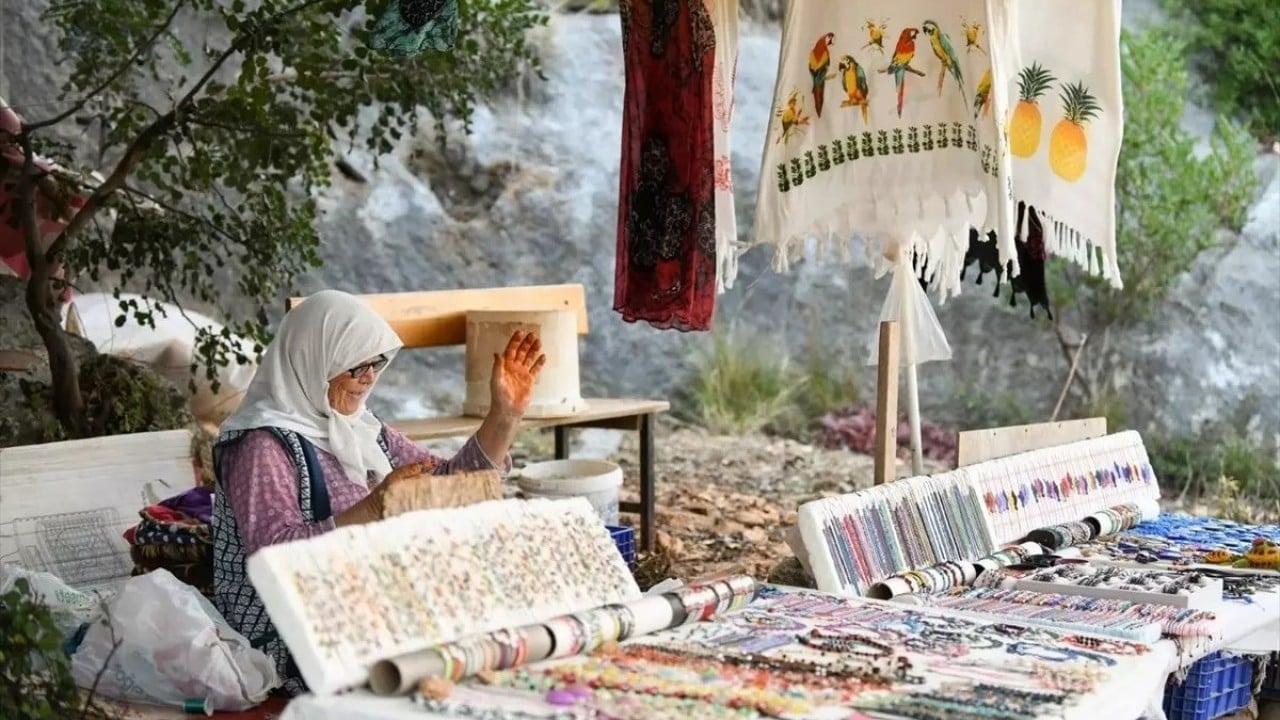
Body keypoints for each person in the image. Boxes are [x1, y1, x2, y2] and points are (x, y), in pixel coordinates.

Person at [210, 289, 545, 696]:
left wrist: (504, 416)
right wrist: (372, 509)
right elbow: (272, 557)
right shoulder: (263, 446)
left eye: (376, 364)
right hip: (293, 619)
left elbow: (449, 484)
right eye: (356, 367)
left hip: (361, 590)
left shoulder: (362, 429)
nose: (369, 378)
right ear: (314, 363)